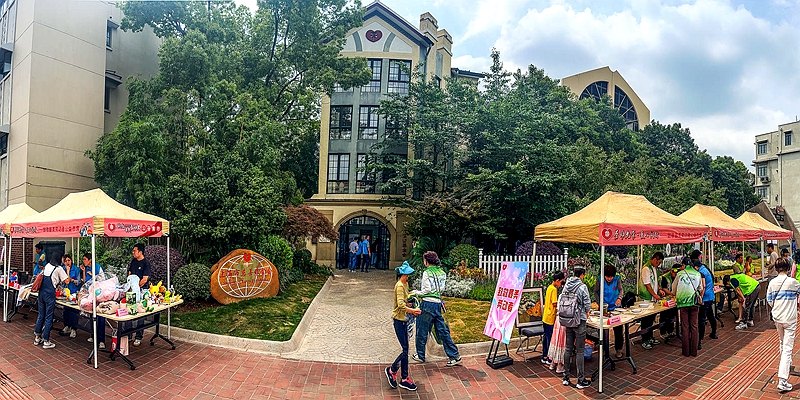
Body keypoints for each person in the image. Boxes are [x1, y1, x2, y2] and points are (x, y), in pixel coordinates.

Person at [411, 251, 461, 367]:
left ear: (426, 261)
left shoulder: (427, 273)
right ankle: (455, 356)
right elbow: (441, 289)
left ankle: (420, 355)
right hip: (438, 304)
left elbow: (427, 290)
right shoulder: (442, 273)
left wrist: (416, 292)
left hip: (427, 304)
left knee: (422, 330)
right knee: (443, 331)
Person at [385, 262, 421, 391]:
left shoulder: (405, 284)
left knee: (406, 349)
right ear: (403, 274)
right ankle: (393, 370)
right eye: (407, 274)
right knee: (405, 350)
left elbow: (404, 301)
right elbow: (400, 305)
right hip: (399, 321)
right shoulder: (399, 285)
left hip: (404, 320)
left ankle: (404, 377)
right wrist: (412, 311)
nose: (408, 276)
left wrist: (409, 304)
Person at [767, 258, 800, 392]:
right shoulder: (794, 282)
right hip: (790, 319)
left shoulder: (772, 282)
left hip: (778, 317)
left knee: (782, 342)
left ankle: (785, 363)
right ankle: (782, 380)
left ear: (776, 268)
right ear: (788, 268)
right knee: (787, 348)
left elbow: (769, 300)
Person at [561, 266, 592, 389]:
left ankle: (566, 377)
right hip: (579, 321)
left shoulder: (566, 285)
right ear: (582, 275)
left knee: (568, 348)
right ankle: (580, 380)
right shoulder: (582, 287)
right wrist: (587, 312)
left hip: (568, 319)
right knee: (580, 350)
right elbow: (587, 303)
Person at [33, 251, 69, 349]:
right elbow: (67, 281)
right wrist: (68, 270)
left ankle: (37, 337)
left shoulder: (47, 265)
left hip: (41, 293)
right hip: (49, 295)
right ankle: (46, 341)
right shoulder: (59, 268)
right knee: (48, 317)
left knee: (41, 315)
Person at [672, 256, 704, 357]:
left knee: (685, 327)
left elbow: (673, 288)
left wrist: (676, 294)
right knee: (694, 326)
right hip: (694, 302)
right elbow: (700, 288)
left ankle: (686, 352)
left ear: (683, 265)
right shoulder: (697, 274)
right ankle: (694, 351)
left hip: (683, 303)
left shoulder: (680, 274)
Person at [594, 265, 625, 358]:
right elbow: (595, 291)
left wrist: (619, 298)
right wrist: (599, 303)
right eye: (607, 277)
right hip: (604, 307)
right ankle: (604, 349)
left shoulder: (617, 279)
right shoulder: (599, 279)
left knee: (618, 329)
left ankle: (619, 349)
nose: (609, 279)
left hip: (615, 307)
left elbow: (621, 290)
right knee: (603, 329)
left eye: (611, 277)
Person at [638, 252, 664, 350]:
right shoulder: (646, 269)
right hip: (646, 299)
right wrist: (654, 295)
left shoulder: (654, 268)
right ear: (654, 259)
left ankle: (650, 337)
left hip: (652, 298)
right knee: (646, 320)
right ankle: (645, 339)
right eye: (658, 262)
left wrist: (659, 290)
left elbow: (655, 282)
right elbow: (647, 285)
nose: (659, 264)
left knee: (651, 319)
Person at [692, 250, 718, 350]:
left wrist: (701, 298)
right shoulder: (705, 268)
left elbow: (702, 286)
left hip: (705, 297)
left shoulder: (701, 272)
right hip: (710, 296)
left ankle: (699, 341)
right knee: (710, 315)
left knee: (701, 319)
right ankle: (714, 333)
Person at [127, 243, 152, 346]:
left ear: (140, 252)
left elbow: (145, 279)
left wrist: (136, 287)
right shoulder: (133, 261)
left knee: (140, 314)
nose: (133, 252)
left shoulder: (146, 263)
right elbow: (129, 274)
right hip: (132, 291)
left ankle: (138, 337)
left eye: (135, 251)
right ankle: (128, 334)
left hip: (142, 291)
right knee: (129, 311)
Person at [82, 253, 107, 349]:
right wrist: (84, 271)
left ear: (90, 260)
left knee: (100, 317)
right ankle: (93, 335)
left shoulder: (97, 267)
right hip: (90, 294)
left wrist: (93, 275)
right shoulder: (87, 268)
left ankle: (101, 340)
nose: (83, 261)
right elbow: (86, 281)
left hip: (99, 294)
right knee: (91, 315)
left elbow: (101, 279)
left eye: (85, 259)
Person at [542, 271, 565, 364]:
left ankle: (544, 356)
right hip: (550, 317)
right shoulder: (554, 289)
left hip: (545, 316)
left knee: (545, 337)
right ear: (557, 280)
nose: (561, 285)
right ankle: (549, 358)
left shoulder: (549, 287)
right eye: (561, 282)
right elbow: (555, 303)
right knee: (550, 338)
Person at [60, 254, 82, 339]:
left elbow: (78, 281)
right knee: (66, 310)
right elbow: (63, 281)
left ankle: (74, 328)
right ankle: (67, 326)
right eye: (65, 261)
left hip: (74, 291)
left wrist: (71, 278)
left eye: (69, 260)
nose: (67, 262)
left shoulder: (76, 269)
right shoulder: (62, 269)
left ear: (71, 261)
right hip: (66, 292)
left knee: (74, 311)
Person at [658, 264, 681, 341]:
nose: (675, 274)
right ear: (671, 271)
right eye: (674, 272)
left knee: (673, 315)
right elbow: (664, 288)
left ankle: (670, 331)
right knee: (664, 316)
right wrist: (672, 293)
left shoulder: (678, 276)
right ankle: (663, 332)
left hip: (673, 300)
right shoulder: (665, 277)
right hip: (665, 299)